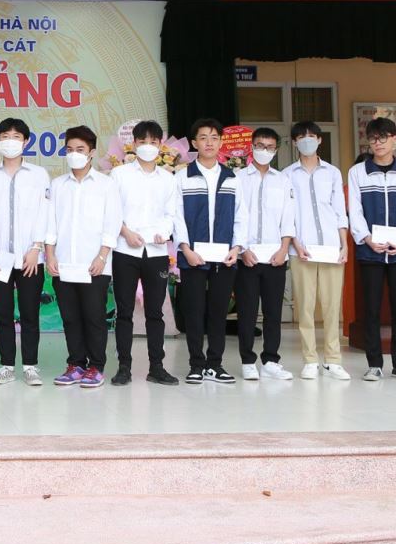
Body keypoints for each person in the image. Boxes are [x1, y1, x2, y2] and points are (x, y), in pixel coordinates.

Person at [43, 125, 121, 389]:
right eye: (70, 149)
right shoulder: (58, 185)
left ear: (91, 152)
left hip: (94, 264)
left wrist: (102, 256)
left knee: (94, 317)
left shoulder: (106, 185)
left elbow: (112, 223)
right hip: (64, 263)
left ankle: (96, 367)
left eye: (80, 149)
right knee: (70, 317)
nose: (74, 154)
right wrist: (50, 255)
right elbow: (51, 223)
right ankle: (75, 364)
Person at [348, 116, 396, 383]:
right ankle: (374, 364)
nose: (377, 143)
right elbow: (354, 209)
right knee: (371, 310)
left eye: (383, 137)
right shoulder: (358, 172)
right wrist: (366, 238)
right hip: (371, 251)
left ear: (395, 139)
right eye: (373, 138)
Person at [0, 118, 51, 387]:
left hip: (31, 257)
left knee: (30, 313)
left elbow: (44, 213)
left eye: (16, 136)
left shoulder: (39, 174)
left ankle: (30, 366)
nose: (11, 141)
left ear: (26, 141)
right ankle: (6, 365)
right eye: (5, 136)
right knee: (3, 314)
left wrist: (36, 247)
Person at [109, 120, 182, 386]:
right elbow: (111, 211)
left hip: (156, 251)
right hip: (125, 250)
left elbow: (172, 214)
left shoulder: (168, 178)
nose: (148, 146)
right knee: (124, 311)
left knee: (155, 312)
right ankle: (124, 367)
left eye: (153, 142)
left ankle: (157, 367)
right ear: (134, 144)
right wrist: (125, 232)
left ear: (160, 145)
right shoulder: (119, 175)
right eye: (143, 142)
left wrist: (164, 232)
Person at [284, 121, 351, 381]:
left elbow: (339, 210)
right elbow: (287, 213)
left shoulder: (332, 173)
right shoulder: (287, 174)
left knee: (332, 305)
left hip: (331, 247)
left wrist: (344, 244)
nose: (307, 140)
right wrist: (295, 242)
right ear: (294, 142)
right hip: (301, 248)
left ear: (320, 140)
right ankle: (310, 359)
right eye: (301, 137)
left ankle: (333, 360)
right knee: (305, 306)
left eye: (312, 136)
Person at [174, 118, 240, 386]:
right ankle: (196, 365)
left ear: (221, 142)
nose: (209, 143)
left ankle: (215, 364)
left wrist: (236, 248)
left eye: (214, 137)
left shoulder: (233, 178)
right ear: (194, 143)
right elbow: (176, 216)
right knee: (193, 311)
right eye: (203, 138)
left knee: (218, 312)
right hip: (193, 257)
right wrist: (186, 249)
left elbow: (241, 216)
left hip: (225, 258)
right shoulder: (182, 177)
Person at [233, 127, 297, 382]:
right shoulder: (238, 178)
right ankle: (248, 361)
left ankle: (271, 360)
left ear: (276, 150)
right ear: (252, 146)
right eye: (260, 146)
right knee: (247, 312)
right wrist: (242, 249)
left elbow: (288, 217)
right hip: (247, 256)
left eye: (270, 147)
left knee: (273, 312)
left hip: (274, 257)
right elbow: (234, 217)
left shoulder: (283, 180)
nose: (264, 151)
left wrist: (283, 249)